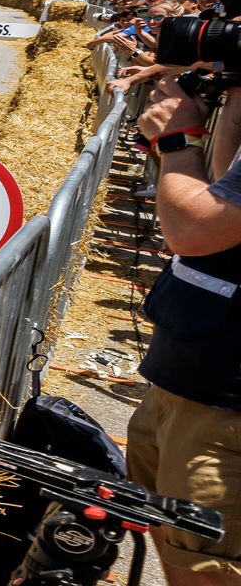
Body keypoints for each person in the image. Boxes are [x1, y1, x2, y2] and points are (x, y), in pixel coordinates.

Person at [124, 68, 241, 584]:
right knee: (171, 538)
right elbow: (225, 182)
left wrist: (175, 141)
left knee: (203, 566)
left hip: (224, 403)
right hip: (188, 376)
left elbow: (197, 226)